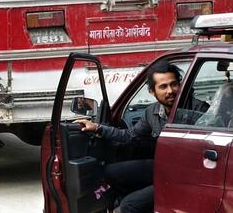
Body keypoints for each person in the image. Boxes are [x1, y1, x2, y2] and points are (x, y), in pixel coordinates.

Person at [74, 62, 201, 213]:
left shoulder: (199, 110)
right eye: (163, 86)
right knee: (110, 172)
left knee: (129, 206)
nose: (170, 91)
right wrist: (98, 128)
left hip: (189, 177)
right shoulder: (152, 112)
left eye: (174, 84)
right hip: (163, 167)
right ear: (152, 91)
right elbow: (129, 137)